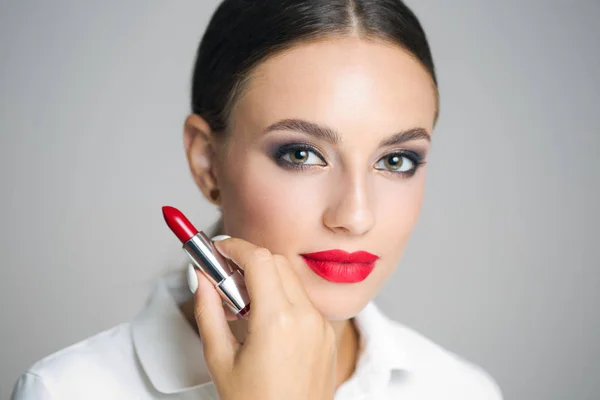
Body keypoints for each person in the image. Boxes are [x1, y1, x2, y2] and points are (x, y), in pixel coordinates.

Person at [12, 0, 503, 399]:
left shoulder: (462, 390)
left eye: (395, 161)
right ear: (208, 162)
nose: (355, 216)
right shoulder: (65, 390)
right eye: (301, 153)